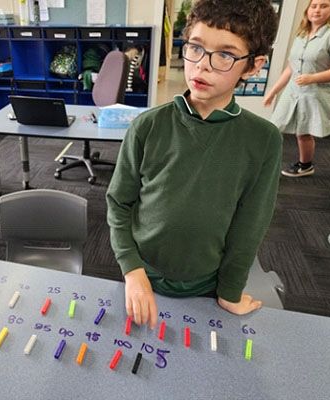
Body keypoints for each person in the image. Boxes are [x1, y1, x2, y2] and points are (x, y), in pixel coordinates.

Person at [106, 0, 281, 329]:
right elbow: (119, 202)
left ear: (253, 66)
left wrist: (230, 292)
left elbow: (250, 225)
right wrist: (132, 270)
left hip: (206, 288)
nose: (202, 66)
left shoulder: (264, 140)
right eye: (196, 48)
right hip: (140, 278)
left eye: (225, 55)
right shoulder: (147, 126)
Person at [264, 0, 330, 178]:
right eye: (314, 5)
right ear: (308, 9)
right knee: (273, 127)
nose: (317, 10)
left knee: (303, 133)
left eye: (323, 6)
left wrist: (312, 78)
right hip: (292, 91)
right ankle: (263, 164)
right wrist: (273, 91)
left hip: (314, 94)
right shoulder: (302, 34)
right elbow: (291, 68)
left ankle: (305, 165)